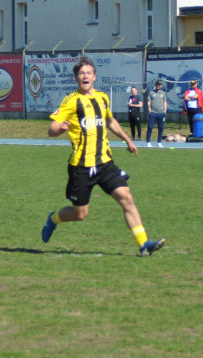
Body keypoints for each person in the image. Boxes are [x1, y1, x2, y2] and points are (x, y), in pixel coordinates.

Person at [41, 58, 165, 257]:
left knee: (127, 198)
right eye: (82, 73)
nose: (85, 76)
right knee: (80, 214)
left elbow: (110, 121)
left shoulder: (102, 98)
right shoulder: (71, 100)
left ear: (94, 76)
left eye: (89, 72)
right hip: (81, 166)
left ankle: (143, 245)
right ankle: (54, 218)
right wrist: (59, 129)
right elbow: (52, 128)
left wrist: (127, 140)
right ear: (76, 78)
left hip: (105, 163)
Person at [145, 79, 167, 147]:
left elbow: (165, 102)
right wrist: (149, 109)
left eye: (159, 84)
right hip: (153, 113)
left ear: (161, 86)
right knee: (150, 127)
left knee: (161, 128)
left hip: (161, 113)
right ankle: (148, 142)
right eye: (157, 84)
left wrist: (165, 111)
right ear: (155, 85)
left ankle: (159, 142)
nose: (158, 86)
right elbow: (149, 101)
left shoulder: (163, 93)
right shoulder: (151, 92)